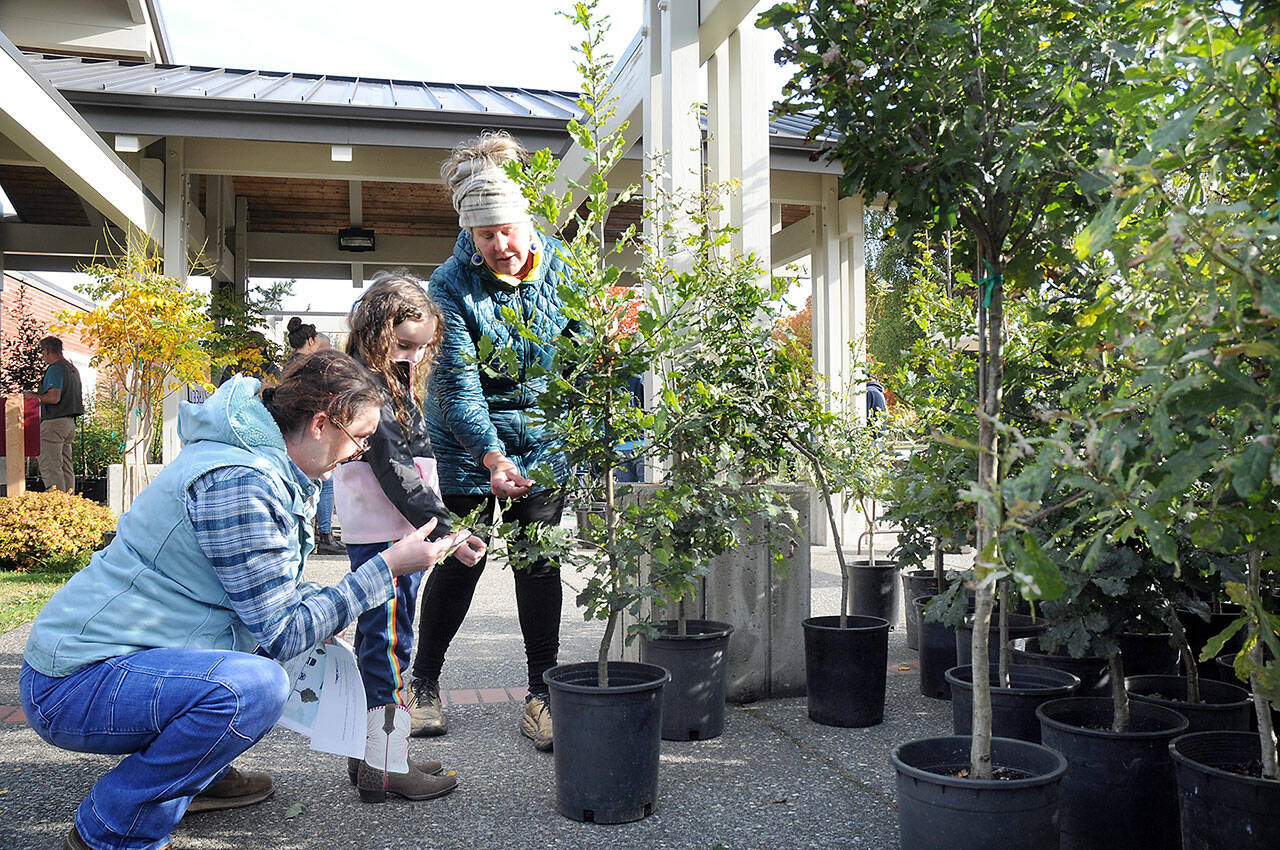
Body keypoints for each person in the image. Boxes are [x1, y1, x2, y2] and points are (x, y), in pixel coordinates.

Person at [19, 350, 484, 850]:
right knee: (255, 688)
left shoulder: (262, 462)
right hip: (71, 685)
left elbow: (257, 588)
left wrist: (323, 605)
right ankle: (111, 829)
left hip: (120, 662)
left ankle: (195, 776)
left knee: (273, 659)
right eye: (361, 439)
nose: (362, 453)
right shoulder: (242, 482)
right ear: (322, 424)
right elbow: (279, 631)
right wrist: (386, 569)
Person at [403, 131, 575, 752]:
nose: (501, 246)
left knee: (538, 562)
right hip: (469, 447)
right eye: (485, 235)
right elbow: (456, 385)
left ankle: (542, 693)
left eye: (508, 230)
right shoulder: (447, 287)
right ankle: (422, 682)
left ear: (526, 221)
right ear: (470, 236)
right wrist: (492, 454)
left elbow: (584, 358)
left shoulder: (563, 270)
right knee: (461, 559)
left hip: (546, 443)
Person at [332, 271, 484, 801]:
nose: (413, 357)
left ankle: (372, 755)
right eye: (403, 345)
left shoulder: (373, 380)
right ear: (376, 330)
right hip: (393, 536)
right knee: (391, 646)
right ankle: (387, 763)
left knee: (379, 644)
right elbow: (398, 472)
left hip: (387, 531)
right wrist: (451, 528)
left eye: (421, 349)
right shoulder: (372, 389)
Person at [287, 317, 343, 555]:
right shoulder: (312, 367)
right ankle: (326, 535)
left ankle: (307, 536)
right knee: (324, 482)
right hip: (312, 432)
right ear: (311, 340)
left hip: (292, 432)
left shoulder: (288, 366)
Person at [25, 335, 84, 493]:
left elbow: (53, 397)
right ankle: (71, 505)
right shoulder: (72, 369)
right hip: (69, 424)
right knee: (65, 465)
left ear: (48, 349)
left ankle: (57, 504)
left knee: (51, 465)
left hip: (54, 422)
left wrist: (33, 396)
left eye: (42, 352)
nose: (43, 356)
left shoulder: (55, 368)